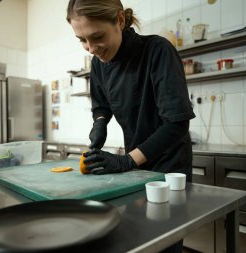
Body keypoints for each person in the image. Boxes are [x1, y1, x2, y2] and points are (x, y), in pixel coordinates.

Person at [66, 1, 195, 251]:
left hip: (167, 167)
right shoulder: (98, 63)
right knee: (135, 240)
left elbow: (177, 124)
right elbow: (101, 105)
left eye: (97, 36)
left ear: (120, 21)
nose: (91, 48)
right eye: (82, 40)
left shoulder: (157, 51)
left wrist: (127, 161)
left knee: (162, 244)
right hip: (136, 169)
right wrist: (100, 123)